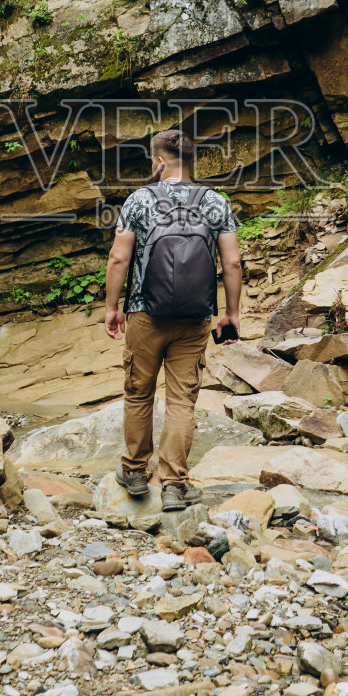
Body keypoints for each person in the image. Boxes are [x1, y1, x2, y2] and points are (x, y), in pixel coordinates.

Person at [103, 128, 243, 511]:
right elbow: (231, 261)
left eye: (153, 159)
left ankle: (133, 471)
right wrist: (230, 313)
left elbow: (119, 259)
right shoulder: (215, 201)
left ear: (160, 161)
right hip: (195, 317)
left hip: (144, 312)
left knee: (139, 391)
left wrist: (112, 307)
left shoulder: (139, 200)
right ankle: (173, 485)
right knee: (182, 400)